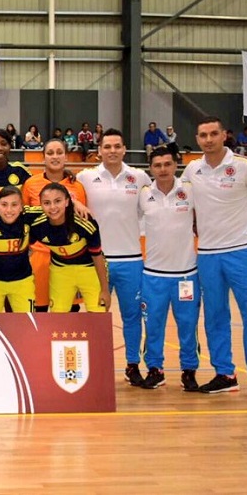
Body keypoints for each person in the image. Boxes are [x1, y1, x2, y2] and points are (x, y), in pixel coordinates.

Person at [182, 116, 247, 401]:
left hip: (241, 253)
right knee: (214, 317)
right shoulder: (192, 169)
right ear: (197, 139)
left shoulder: (244, 165)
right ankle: (225, 374)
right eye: (202, 135)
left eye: (213, 133)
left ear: (224, 135)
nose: (208, 139)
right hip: (208, 256)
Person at [77, 128, 151, 386]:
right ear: (99, 150)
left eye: (117, 146)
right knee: (97, 317)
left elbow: (150, 211)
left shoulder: (139, 177)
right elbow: (68, 200)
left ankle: (133, 365)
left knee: (132, 316)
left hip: (131, 259)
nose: (112, 151)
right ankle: (96, 368)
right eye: (107, 146)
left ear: (124, 149)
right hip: (97, 260)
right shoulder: (85, 177)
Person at [138, 148, 200, 391]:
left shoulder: (190, 191)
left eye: (167, 164)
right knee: (153, 326)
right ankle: (155, 369)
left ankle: (189, 371)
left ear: (176, 165)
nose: (162, 169)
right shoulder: (143, 195)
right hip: (153, 275)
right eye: (157, 165)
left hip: (186, 274)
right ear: (151, 168)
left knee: (188, 326)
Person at [22, 138, 88, 312]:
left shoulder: (77, 186)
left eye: (59, 152)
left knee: (69, 313)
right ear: (43, 157)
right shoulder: (30, 184)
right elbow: (24, 220)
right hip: (40, 255)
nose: (55, 156)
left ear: (66, 156)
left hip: (69, 258)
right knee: (39, 311)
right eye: (50, 153)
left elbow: (81, 224)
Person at [29, 183, 111, 312]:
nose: (53, 207)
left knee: (98, 315)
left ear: (67, 202)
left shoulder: (84, 222)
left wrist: (105, 290)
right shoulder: (37, 225)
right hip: (60, 271)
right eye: (46, 203)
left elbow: (97, 256)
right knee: (58, 316)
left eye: (58, 201)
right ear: (41, 205)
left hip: (90, 270)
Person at [0, 186, 43, 313]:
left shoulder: (29, 215)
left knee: (27, 323)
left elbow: (55, 208)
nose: (9, 210)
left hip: (22, 281)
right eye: (4, 204)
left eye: (14, 205)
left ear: (22, 206)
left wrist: (76, 204)